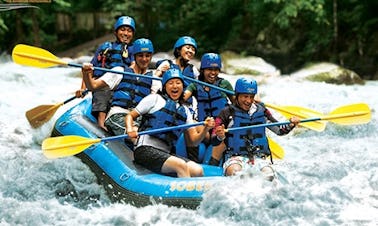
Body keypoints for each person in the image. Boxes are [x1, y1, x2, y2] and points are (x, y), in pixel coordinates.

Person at [125, 68, 215, 178]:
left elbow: (193, 142)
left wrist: (205, 128)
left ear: (183, 87)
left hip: (165, 153)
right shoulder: (154, 99)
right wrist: (130, 129)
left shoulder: (185, 111)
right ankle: (184, 195)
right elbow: (130, 115)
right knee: (181, 165)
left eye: (178, 83)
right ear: (165, 87)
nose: (175, 86)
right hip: (145, 150)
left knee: (197, 170)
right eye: (170, 83)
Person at [210, 77, 300, 177]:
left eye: (251, 97)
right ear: (237, 95)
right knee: (236, 173)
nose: (248, 100)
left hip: (258, 158)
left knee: (269, 175)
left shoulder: (262, 111)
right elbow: (214, 139)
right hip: (235, 158)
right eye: (245, 96)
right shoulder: (226, 112)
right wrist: (220, 136)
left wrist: (291, 125)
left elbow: (279, 130)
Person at [81, 38, 156, 143]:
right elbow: (93, 86)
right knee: (138, 135)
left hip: (139, 119)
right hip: (118, 115)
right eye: (140, 55)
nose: (144, 59)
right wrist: (86, 73)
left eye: (147, 56)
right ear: (134, 56)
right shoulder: (119, 72)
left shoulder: (155, 79)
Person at [76, 16, 136, 130]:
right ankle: (101, 125)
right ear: (116, 32)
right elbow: (89, 70)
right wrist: (83, 89)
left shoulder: (133, 49)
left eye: (129, 31)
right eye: (122, 29)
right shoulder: (105, 47)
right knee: (104, 90)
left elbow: (134, 66)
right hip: (102, 83)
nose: (126, 33)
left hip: (121, 83)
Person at [183, 53, 235, 162]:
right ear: (202, 70)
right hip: (205, 129)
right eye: (209, 69)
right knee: (190, 123)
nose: (213, 73)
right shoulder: (195, 85)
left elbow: (237, 102)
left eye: (216, 69)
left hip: (221, 128)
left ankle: (214, 160)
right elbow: (183, 97)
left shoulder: (224, 84)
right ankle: (192, 161)